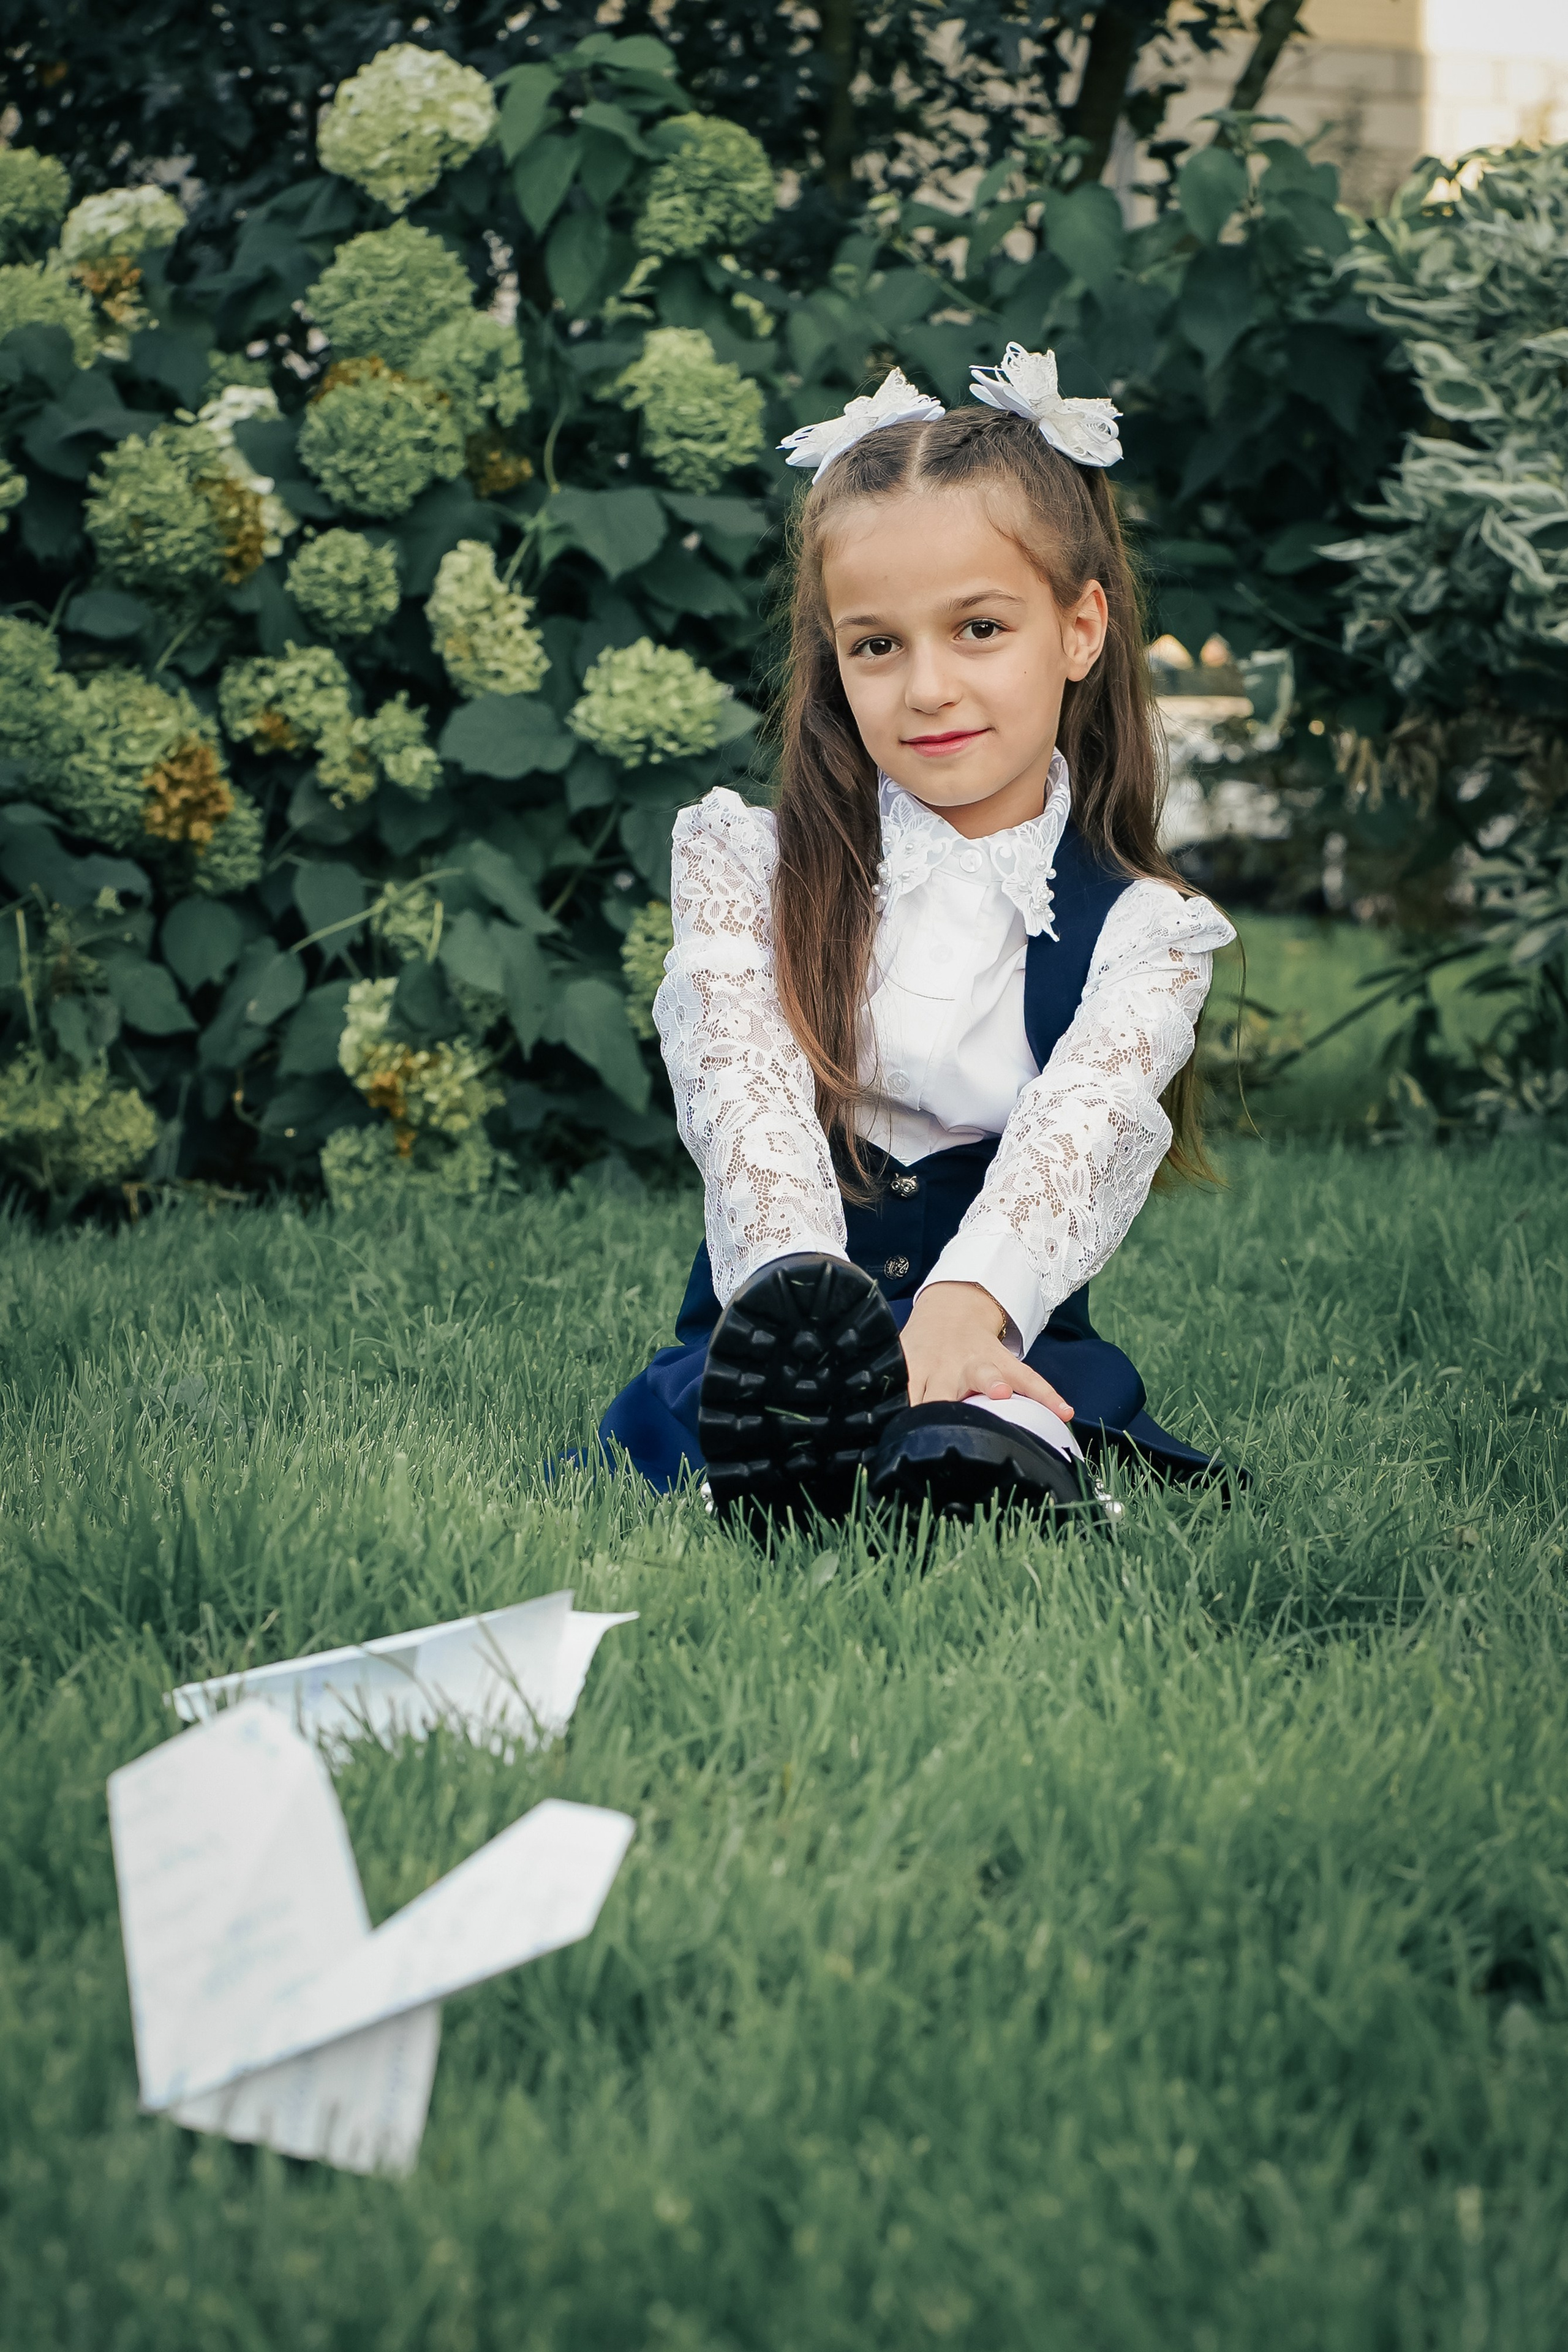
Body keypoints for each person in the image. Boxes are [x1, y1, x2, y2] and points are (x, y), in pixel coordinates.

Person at [598, 345, 1238, 1525]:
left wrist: (961, 1314)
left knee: (1000, 1413)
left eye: (980, 628)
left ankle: (956, 1442)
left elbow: (1079, 1130)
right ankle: (808, 1432)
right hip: (791, 1312)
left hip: (988, 1310)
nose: (927, 687)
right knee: (756, 1412)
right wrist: (814, 1316)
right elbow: (741, 1094)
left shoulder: (1146, 929)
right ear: (835, 662)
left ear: (1082, 628)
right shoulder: (753, 865)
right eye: (877, 645)